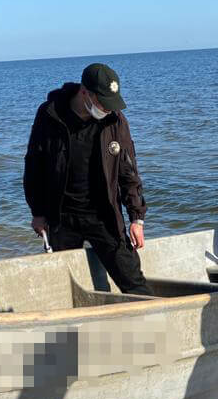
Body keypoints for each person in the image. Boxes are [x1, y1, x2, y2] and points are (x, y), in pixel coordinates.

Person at [23, 62, 150, 294]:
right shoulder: (49, 114)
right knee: (63, 288)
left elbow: (129, 171)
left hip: (104, 216)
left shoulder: (115, 121)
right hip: (61, 218)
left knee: (133, 281)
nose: (108, 109)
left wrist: (136, 218)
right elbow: (33, 166)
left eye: (112, 104)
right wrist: (37, 213)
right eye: (103, 103)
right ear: (85, 93)